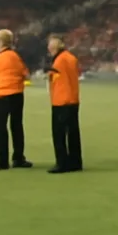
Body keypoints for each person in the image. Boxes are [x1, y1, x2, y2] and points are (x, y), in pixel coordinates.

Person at [0, 29, 32, 171]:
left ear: (0, 42)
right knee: (17, 126)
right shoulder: (15, 57)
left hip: (0, 96)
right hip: (16, 95)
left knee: (0, 128)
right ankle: (18, 158)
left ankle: (2, 161)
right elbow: (26, 74)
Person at [46, 34, 82, 173]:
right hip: (73, 99)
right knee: (73, 133)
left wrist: (49, 74)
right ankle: (75, 161)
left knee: (59, 134)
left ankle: (62, 162)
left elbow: (56, 78)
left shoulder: (59, 61)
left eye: (50, 45)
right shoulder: (71, 57)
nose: (48, 48)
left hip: (61, 100)